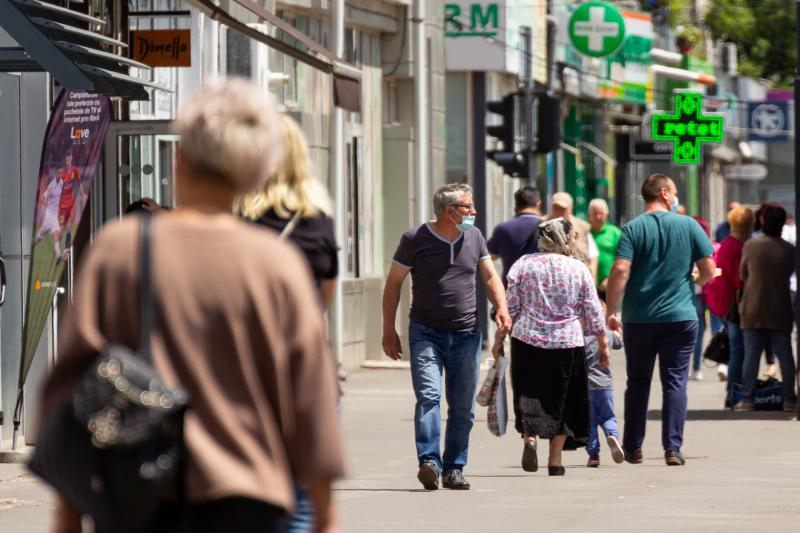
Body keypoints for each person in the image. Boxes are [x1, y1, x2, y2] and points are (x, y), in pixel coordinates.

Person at [38, 79, 345, 533]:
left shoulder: (120, 249)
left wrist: (67, 512)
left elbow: (71, 386)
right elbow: (310, 400)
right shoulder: (277, 265)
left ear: (178, 161)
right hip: (247, 500)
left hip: (136, 497)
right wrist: (325, 515)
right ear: (255, 174)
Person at [238, 114, 339, 533]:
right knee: (301, 500)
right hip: (304, 366)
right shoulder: (318, 220)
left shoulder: (236, 215)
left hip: (242, 367)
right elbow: (323, 299)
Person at [382, 183, 511, 491]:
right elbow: (393, 284)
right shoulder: (415, 239)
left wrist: (502, 308)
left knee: (462, 407)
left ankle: (454, 467)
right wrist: (388, 329)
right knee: (428, 397)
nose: (474, 212)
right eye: (468, 207)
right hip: (425, 332)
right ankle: (429, 462)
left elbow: (490, 276)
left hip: (466, 334)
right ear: (449, 210)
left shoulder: (475, 237)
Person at [605, 174, 715, 466]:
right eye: (675, 192)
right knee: (675, 382)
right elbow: (708, 268)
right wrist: (695, 279)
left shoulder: (632, 228)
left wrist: (611, 310)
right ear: (665, 193)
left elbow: (619, 269)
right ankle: (673, 449)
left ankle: (633, 447)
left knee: (638, 381)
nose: (677, 197)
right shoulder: (689, 225)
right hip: (680, 317)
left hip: (639, 319)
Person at [494, 217, 608, 477]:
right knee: (564, 401)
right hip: (567, 342)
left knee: (529, 394)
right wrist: (602, 344)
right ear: (564, 238)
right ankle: (554, 460)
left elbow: (510, 308)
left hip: (527, 341)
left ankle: (530, 438)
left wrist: (499, 340)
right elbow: (592, 310)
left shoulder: (523, 265)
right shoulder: (578, 269)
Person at [239, 114, 337, 310]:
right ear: (299, 156)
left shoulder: (239, 214)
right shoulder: (318, 217)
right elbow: (326, 290)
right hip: (301, 335)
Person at [736, 204, 797, 412]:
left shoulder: (751, 246)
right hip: (780, 307)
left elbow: (743, 275)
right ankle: (789, 399)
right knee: (785, 356)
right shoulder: (789, 250)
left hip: (752, 308)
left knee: (751, 356)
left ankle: (747, 400)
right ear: (782, 223)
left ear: (762, 221)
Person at [705, 207, 754, 405]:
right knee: (738, 350)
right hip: (736, 305)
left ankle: (732, 392)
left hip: (725, 303)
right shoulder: (740, 247)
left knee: (736, 348)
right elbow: (739, 278)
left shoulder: (726, 244)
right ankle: (734, 393)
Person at [585, 316, 624, 468]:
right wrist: (617, 329)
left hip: (587, 388)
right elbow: (620, 342)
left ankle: (593, 455)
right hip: (605, 386)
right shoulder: (608, 334)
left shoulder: (581, 337)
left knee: (591, 422)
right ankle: (612, 436)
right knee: (608, 416)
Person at [487, 186, 542, 287]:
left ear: (516, 205)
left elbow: (488, 257)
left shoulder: (503, 228)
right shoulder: (546, 227)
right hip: (540, 288)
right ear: (538, 204)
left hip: (511, 288)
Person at [689, 215, 723, 381]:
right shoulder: (714, 246)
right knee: (718, 328)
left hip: (695, 293)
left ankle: (696, 368)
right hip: (713, 291)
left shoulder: (688, 246)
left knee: (698, 332)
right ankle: (722, 363)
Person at [549, 192, 599, 280]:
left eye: (562, 209)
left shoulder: (582, 227)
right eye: (555, 208)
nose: (558, 212)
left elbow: (593, 254)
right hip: (551, 278)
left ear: (570, 209)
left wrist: (592, 275)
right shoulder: (542, 225)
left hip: (577, 278)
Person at [588, 198, 621, 300]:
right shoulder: (585, 231)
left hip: (608, 285)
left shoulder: (615, 233)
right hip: (587, 285)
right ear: (589, 215)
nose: (598, 217)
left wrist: (609, 279)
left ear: (606, 215)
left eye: (601, 214)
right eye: (595, 213)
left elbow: (620, 259)